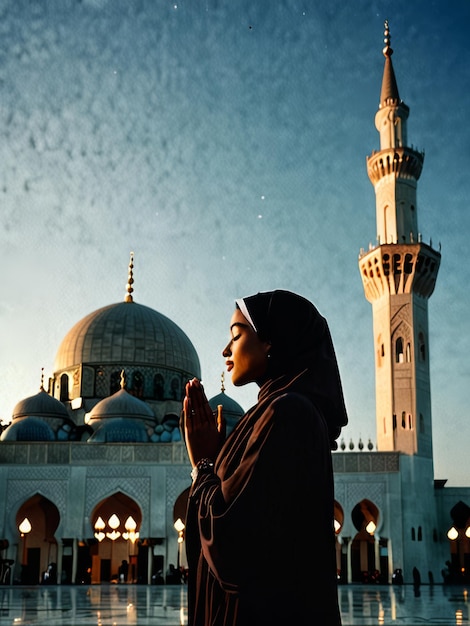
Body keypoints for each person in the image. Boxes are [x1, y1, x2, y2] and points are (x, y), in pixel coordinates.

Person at [181, 290, 348, 625]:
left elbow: (235, 548)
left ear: (270, 341)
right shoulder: (271, 414)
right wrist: (214, 460)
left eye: (237, 335)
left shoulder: (288, 413)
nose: (225, 350)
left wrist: (203, 466)